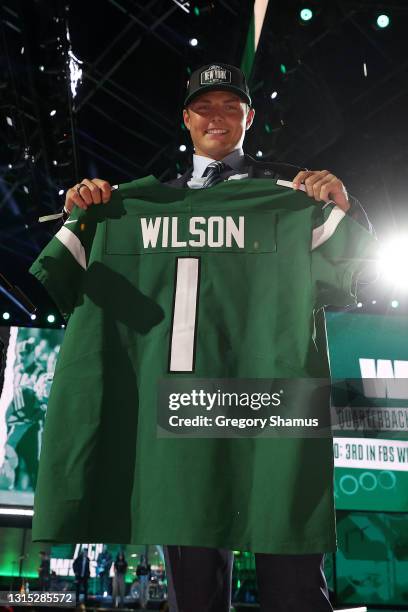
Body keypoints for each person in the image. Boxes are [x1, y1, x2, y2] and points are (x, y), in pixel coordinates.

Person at [34, 62, 375, 612]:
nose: (217, 117)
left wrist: (344, 204)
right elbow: (56, 279)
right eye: (205, 107)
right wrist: (83, 210)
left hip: (271, 403)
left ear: (249, 118)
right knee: (195, 595)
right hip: (183, 409)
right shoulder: (126, 206)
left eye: (230, 107)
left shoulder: (289, 197)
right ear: (186, 118)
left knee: (293, 590)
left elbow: (359, 269)